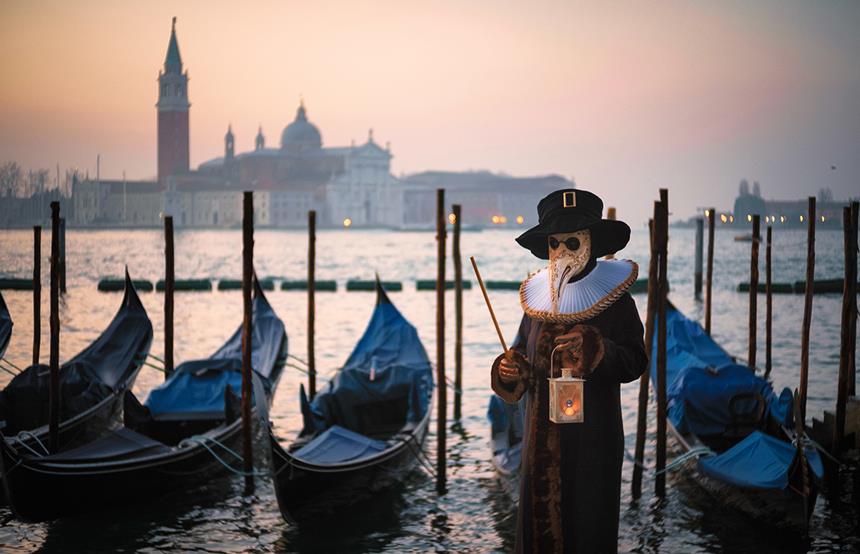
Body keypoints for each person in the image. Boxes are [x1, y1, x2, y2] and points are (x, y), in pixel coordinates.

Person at [491, 189, 647, 553]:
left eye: (573, 241)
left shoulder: (617, 302)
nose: (563, 251)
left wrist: (597, 350)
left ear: (591, 243)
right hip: (538, 445)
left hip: (593, 443)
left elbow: (636, 361)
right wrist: (509, 370)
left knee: (587, 530)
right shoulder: (536, 305)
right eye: (554, 243)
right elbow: (520, 354)